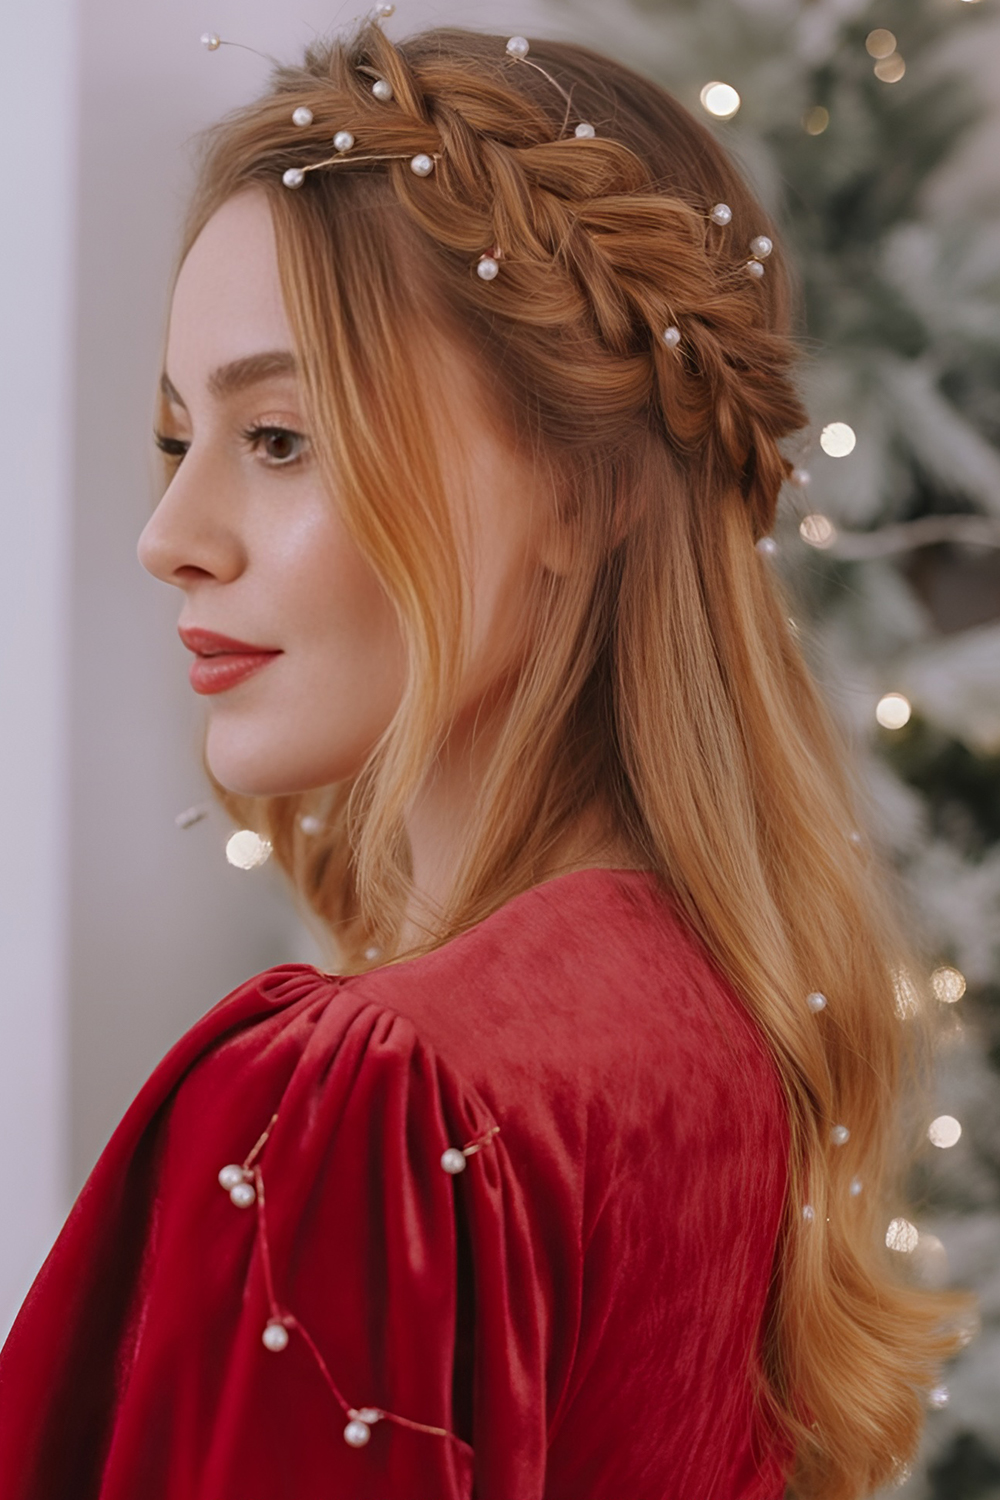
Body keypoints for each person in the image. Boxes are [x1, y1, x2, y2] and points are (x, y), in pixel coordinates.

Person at [0, 17, 975, 1500]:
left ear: (582, 489)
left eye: (278, 438)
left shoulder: (380, 1106)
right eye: (175, 436)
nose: (168, 538)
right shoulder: (717, 1015)